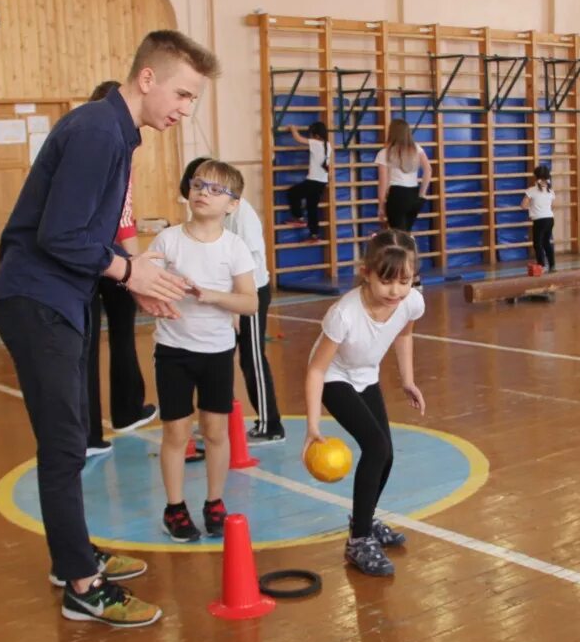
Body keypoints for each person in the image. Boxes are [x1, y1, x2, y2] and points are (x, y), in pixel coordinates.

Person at [0, 30, 219, 627]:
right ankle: (82, 588)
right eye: (183, 95)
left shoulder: (116, 133)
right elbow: (60, 236)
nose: (185, 111)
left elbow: (86, 236)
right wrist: (129, 269)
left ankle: (73, 558)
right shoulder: (96, 130)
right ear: (148, 78)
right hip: (38, 300)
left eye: (193, 100)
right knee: (65, 445)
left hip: (61, 297)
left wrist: (135, 283)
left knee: (69, 441)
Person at [305, 230, 426, 577]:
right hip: (334, 378)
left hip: (365, 374)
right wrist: (313, 426)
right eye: (387, 281)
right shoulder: (343, 314)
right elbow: (316, 369)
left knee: (385, 452)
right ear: (366, 272)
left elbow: (404, 333)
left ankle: (364, 520)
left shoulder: (411, 302)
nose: (396, 291)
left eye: (405, 281)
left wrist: (407, 380)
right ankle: (359, 541)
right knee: (375, 446)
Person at [151, 160, 258, 542]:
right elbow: (143, 284)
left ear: (232, 205)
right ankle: (175, 507)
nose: (203, 193)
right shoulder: (167, 240)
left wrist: (210, 295)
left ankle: (215, 501)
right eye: (198, 185)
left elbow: (249, 303)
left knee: (215, 430)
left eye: (215, 189)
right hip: (173, 351)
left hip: (216, 353)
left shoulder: (235, 247)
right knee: (176, 433)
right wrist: (157, 290)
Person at [180, 157, 285, 444]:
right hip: (224, 294)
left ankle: (270, 423)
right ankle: (218, 422)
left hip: (250, 291)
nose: (203, 192)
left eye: (210, 186)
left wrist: (238, 304)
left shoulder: (242, 213)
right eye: (197, 185)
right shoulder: (205, 215)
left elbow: (252, 258)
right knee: (218, 355)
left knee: (251, 357)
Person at [84, 80, 156, 457]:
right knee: (120, 334)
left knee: (86, 344)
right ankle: (124, 411)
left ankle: (91, 433)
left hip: (88, 256)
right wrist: (134, 264)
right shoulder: (114, 146)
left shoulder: (86, 141)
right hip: (107, 256)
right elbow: (122, 215)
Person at [375, 118, 431, 233]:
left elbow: (383, 182)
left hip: (397, 194)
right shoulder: (416, 149)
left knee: (398, 235)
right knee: (406, 233)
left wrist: (381, 205)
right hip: (414, 194)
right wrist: (422, 194)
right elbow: (428, 170)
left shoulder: (385, 153)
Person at [284, 121, 331, 240]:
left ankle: (298, 217)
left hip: (313, 181)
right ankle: (314, 234)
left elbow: (299, 139)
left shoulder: (316, 143)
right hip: (322, 182)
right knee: (312, 208)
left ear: (315, 135)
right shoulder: (328, 145)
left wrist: (293, 129)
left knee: (292, 193)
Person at [521, 164, 556, 272]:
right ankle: (552, 265)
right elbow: (551, 203)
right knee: (546, 242)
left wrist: (531, 206)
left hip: (540, 220)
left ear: (536, 177)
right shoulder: (550, 191)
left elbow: (523, 205)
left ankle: (541, 265)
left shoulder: (531, 190)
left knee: (538, 244)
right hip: (550, 218)